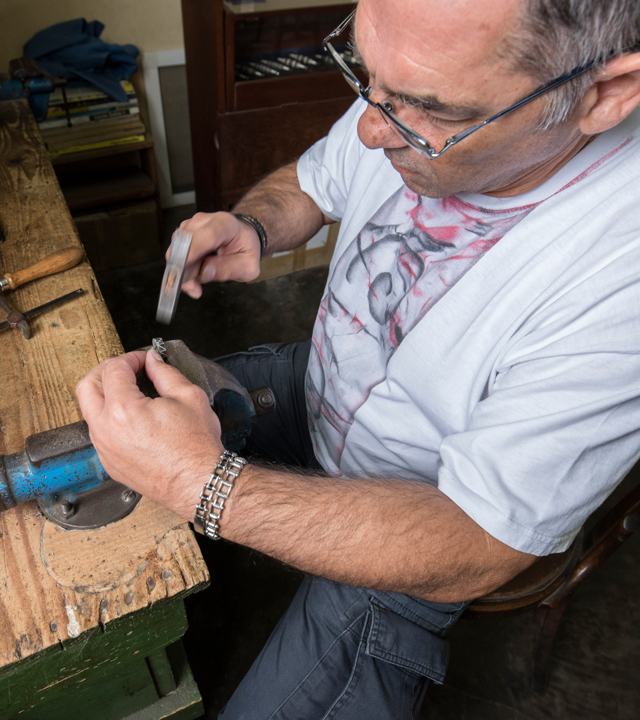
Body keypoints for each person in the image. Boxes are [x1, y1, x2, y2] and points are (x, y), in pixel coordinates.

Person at [76, 0, 640, 717]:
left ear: (605, 94)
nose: (372, 128)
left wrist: (203, 485)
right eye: (365, 74)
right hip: (318, 382)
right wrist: (253, 222)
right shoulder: (411, 81)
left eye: (424, 110)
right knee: (103, 432)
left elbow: (481, 539)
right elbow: (316, 182)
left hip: (423, 522)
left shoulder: (621, 268)